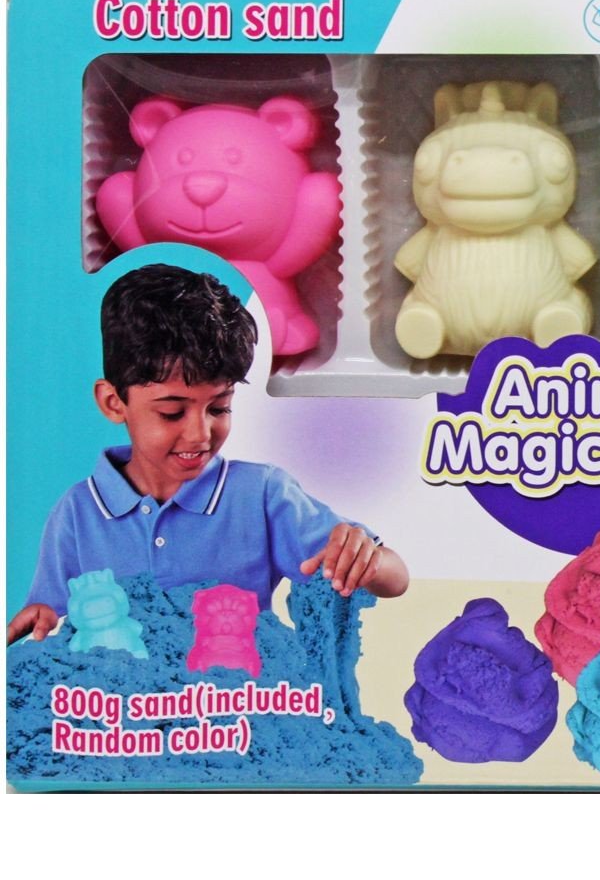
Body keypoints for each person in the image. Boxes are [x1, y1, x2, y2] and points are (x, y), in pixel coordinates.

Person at [6, 264, 409, 645]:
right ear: (114, 403)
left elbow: (396, 578)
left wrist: (367, 560)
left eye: (219, 408)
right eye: (171, 412)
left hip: (239, 692)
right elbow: (53, 617)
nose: (200, 434)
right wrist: (41, 617)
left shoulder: (261, 495)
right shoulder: (78, 512)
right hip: (122, 697)